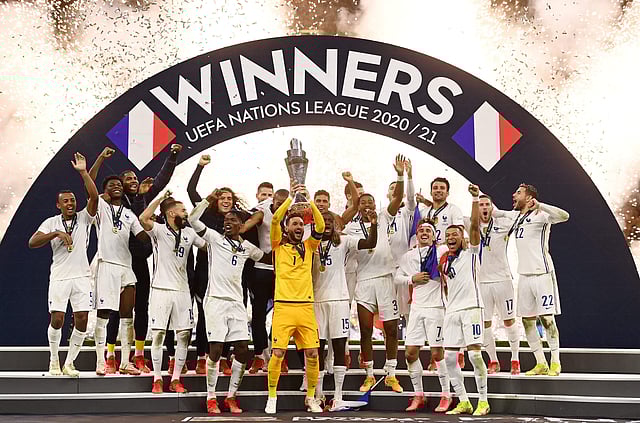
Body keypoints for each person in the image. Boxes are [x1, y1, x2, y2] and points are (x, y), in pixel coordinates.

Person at [89, 144, 182, 373]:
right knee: (113, 310)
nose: (132, 180)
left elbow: (161, 180)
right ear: (117, 186)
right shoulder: (111, 203)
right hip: (115, 260)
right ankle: (110, 356)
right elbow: (91, 189)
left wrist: (172, 155)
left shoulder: (141, 198)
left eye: (134, 178)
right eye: (127, 179)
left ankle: (137, 355)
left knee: (141, 307)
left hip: (137, 262)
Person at [189, 198, 271, 414]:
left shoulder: (247, 247)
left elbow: (265, 257)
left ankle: (231, 396)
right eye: (226, 220)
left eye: (233, 220)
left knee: (243, 349)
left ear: (241, 225)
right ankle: (211, 397)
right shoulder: (214, 239)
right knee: (216, 350)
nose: (227, 222)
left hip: (236, 303)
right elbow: (192, 220)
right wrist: (207, 201)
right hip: (215, 301)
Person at [29, 153, 98, 377]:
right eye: (66, 201)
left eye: (72, 200)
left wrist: (84, 172)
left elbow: (94, 197)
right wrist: (56, 233)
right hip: (60, 276)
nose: (70, 203)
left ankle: (69, 363)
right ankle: (53, 360)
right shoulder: (51, 222)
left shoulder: (84, 217)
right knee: (57, 319)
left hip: (82, 277)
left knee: (82, 320)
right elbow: (32, 242)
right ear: (58, 205)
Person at [187, 154, 256, 375]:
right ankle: (202, 356)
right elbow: (191, 191)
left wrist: (244, 228)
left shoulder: (239, 218)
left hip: (234, 277)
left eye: (229, 198)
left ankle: (225, 357)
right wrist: (200, 167)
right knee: (205, 316)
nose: (226, 201)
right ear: (216, 201)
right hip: (206, 273)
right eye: (222, 198)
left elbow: (260, 214)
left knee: (233, 317)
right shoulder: (207, 216)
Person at [344, 155, 405, 394]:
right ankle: (369, 374)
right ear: (357, 206)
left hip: (386, 278)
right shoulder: (350, 227)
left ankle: (391, 374)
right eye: (363, 202)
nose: (368, 205)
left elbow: (398, 198)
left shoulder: (383, 216)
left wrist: (400, 175)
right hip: (364, 281)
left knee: (391, 329)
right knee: (366, 330)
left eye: (371, 201)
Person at [264, 184, 325, 414]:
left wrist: (309, 202)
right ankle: (272, 397)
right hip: (283, 307)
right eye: (294, 224)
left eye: (301, 224)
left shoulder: (309, 246)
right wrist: (290, 198)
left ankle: (311, 398)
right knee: (278, 353)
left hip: (306, 307)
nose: (298, 227)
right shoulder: (278, 246)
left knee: (312, 354)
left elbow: (320, 226)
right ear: (287, 227)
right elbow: (274, 220)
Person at [497, 184, 569, 376]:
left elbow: (565, 216)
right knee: (527, 321)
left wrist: (541, 205)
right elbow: (496, 213)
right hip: (524, 276)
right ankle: (540, 362)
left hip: (542, 274)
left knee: (547, 319)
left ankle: (555, 361)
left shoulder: (542, 215)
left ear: (529, 198)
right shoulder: (516, 216)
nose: (513, 195)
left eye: (518, 193)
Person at [139, 193, 205, 393]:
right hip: (161, 289)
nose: (186, 214)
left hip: (183, 290)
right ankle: (157, 378)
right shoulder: (158, 230)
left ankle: (176, 379)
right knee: (158, 334)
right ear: (171, 213)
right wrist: (160, 198)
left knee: (184, 334)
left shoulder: (189, 233)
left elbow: (208, 246)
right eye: (183, 210)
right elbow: (143, 218)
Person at [312, 211, 377, 410]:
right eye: (323, 221)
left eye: (330, 221)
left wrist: (374, 224)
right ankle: (319, 395)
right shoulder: (310, 244)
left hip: (340, 300)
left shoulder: (344, 241)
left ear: (335, 224)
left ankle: (338, 396)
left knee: (339, 347)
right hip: (317, 301)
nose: (327, 223)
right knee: (317, 349)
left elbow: (370, 243)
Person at [440, 184, 489, 416]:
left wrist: (475, 199)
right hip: (452, 312)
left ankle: (483, 401)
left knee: (475, 355)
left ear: (463, 237)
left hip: (472, 308)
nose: (451, 237)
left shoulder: (471, 253)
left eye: (455, 234)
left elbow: (475, 226)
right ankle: (464, 401)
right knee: (449, 357)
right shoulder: (444, 261)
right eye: (448, 235)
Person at [93, 174, 150, 376]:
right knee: (104, 315)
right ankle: (101, 361)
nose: (116, 186)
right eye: (112, 185)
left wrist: (160, 232)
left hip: (126, 267)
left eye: (119, 184)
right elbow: (91, 190)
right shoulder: (100, 207)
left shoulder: (129, 214)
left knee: (127, 316)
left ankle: (125, 362)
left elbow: (142, 236)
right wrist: (94, 164)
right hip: (107, 265)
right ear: (105, 190)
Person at [395, 219, 451, 412]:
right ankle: (419, 395)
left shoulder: (442, 251)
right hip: (416, 308)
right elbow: (397, 278)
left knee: (437, 353)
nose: (424, 233)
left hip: (436, 308)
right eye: (421, 230)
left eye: (428, 230)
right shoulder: (408, 256)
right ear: (416, 235)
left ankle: (446, 395)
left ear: (434, 236)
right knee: (410, 353)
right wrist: (412, 279)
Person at [464, 194, 521, 374]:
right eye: (481, 205)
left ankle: (515, 359)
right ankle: (493, 360)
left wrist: (499, 212)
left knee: (509, 320)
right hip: (482, 282)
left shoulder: (502, 224)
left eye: (487, 204)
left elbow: (518, 215)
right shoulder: (469, 224)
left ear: (492, 207)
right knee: (485, 323)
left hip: (503, 279)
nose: (484, 208)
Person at [240, 188, 290, 374]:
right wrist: (241, 232)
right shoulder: (263, 212)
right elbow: (245, 226)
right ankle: (259, 355)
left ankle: (278, 355)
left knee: (282, 316)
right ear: (273, 201)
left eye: (284, 205)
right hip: (262, 269)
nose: (280, 208)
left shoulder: (292, 214)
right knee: (258, 315)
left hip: (284, 271)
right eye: (278, 204)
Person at [417, 177, 464, 245]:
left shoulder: (454, 210)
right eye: (435, 188)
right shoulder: (423, 212)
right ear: (431, 192)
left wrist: (441, 246)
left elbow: (460, 233)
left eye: (442, 188)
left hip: (446, 250)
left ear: (447, 193)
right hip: (427, 250)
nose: (438, 190)